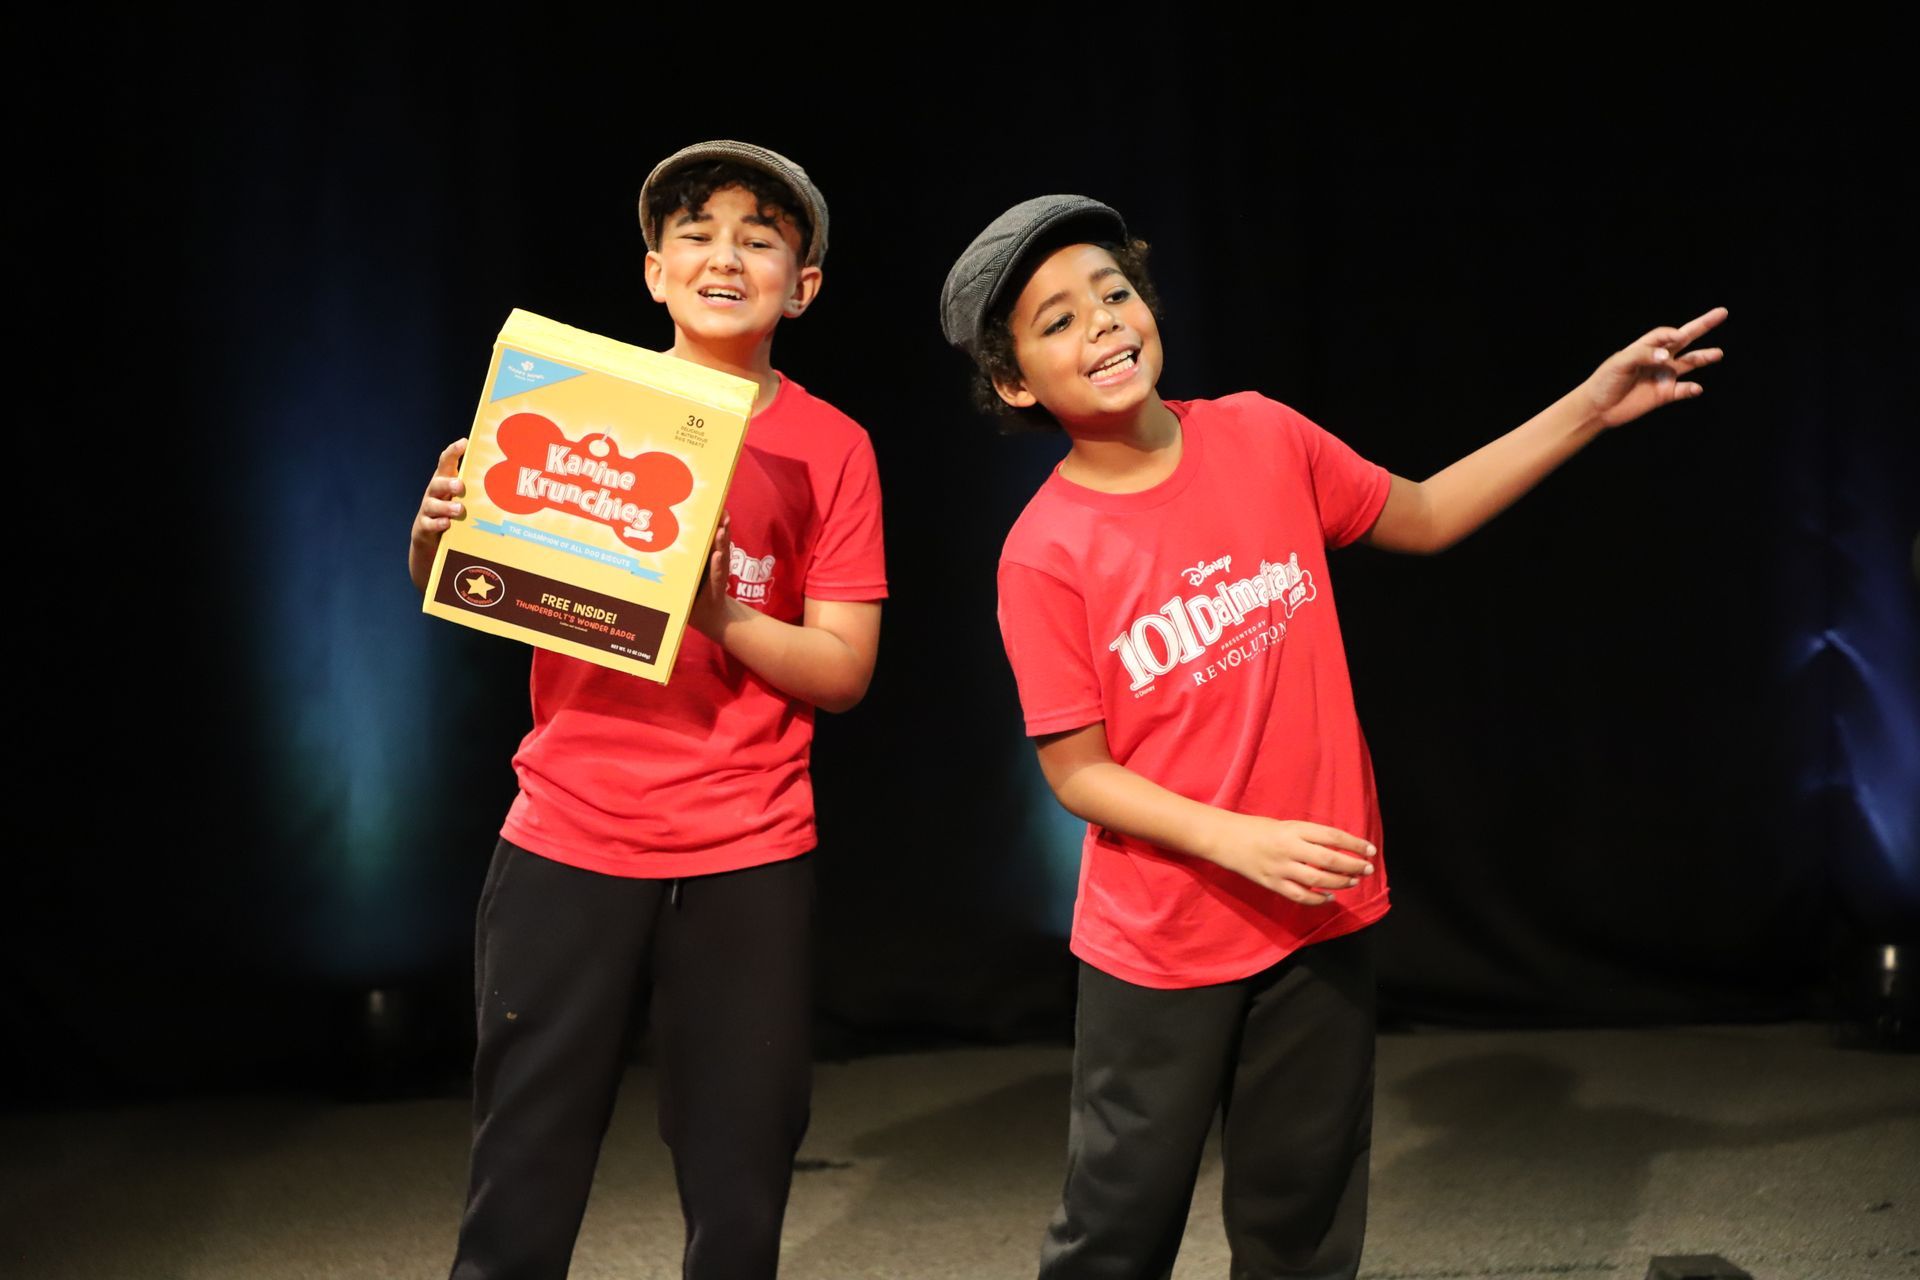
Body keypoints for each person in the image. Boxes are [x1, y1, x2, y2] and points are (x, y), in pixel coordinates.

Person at [940, 194, 1724, 1279]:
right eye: (1059, 318)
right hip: (1165, 938)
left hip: (1315, 898)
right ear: (1017, 380)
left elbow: (1431, 510)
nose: (1105, 323)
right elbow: (1078, 771)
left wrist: (1589, 407)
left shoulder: (1264, 433)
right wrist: (1234, 839)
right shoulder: (1045, 549)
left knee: (1301, 1218)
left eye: (1114, 293)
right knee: (1118, 1223)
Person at [410, 140, 887, 1280]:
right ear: (653, 272)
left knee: (739, 1173)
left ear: (803, 284)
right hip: (569, 830)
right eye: (697, 235)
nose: (726, 257)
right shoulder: (581, 406)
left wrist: (715, 610)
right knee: (524, 1162)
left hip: (747, 843)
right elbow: (487, 586)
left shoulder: (834, 446)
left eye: (760, 240)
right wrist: (440, 537)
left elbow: (843, 668)